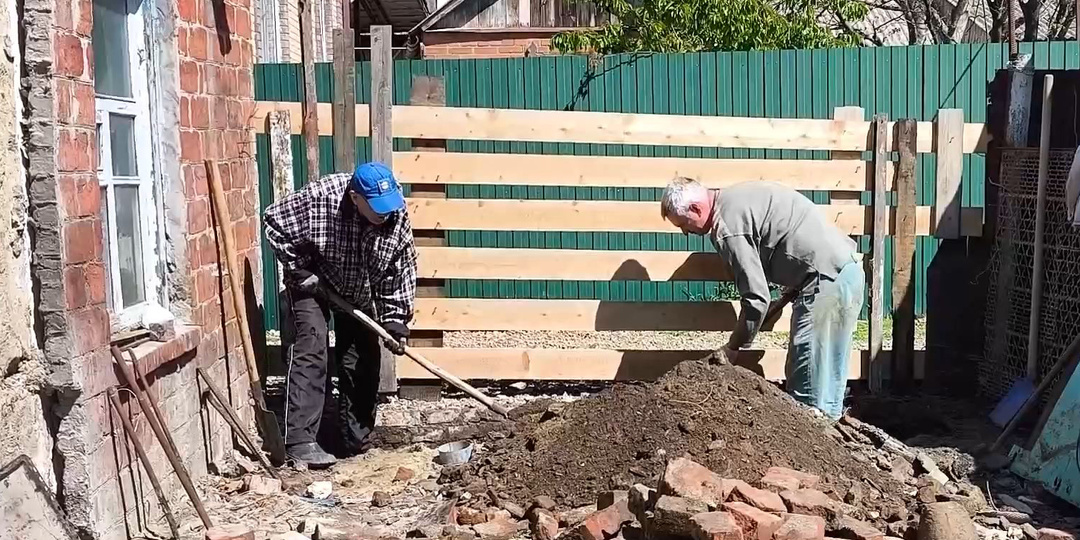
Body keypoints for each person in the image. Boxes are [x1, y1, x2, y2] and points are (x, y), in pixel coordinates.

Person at [660, 178, 864, 420]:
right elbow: (787, 234)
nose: (686, 233)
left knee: (808, 389)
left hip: (826, 282)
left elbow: (756, 297)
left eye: (684, 224)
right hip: (845, 271)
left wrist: (734, 347)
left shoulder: (728, 227)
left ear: (696, 209)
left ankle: (812, 451)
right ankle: (830, 444)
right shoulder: (735, 197)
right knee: (828, 377)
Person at [263, 161, 417, 468]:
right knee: (311, 344)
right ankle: (301, 441)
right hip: (314, 283)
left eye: (388, 207)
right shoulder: (322, 198)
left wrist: (395, 317)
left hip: (358, 290)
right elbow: (273, 221)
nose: (384, 214)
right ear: (355, 198)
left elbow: (401, 266)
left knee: (363, 356)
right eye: (376, 208)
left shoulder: (394, 214)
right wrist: (298, 267)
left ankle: (355, 440)